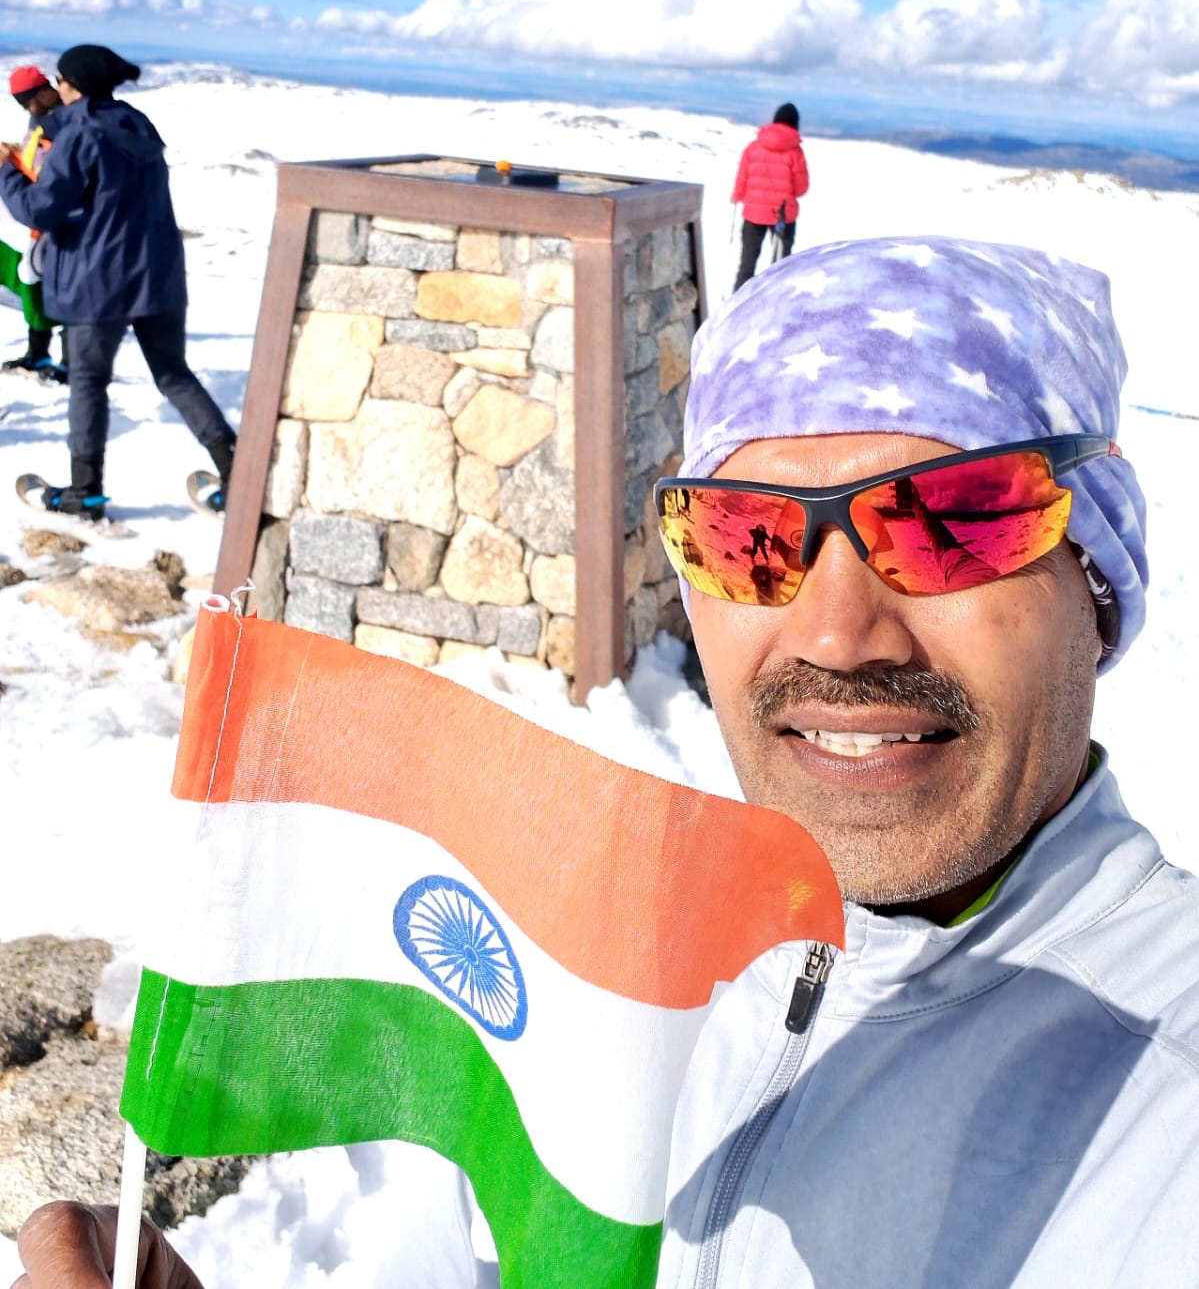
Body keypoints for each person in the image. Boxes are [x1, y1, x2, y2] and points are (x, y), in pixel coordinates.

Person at [14, 236, 1199, 1287]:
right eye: (746, 538)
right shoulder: (610, 964)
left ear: (1097, 584)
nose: (837, 634)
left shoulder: (1165, 1098)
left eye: (950, 520)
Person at [0, 45, 236, 520]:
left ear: (73, 85)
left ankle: (84, 493)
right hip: (159, 276)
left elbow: (41, 208)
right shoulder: (137, 124)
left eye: (61, 80)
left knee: (87, 382)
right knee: (173, 374)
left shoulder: (80, 135)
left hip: (97, 281)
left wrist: (6, 172)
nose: (57, 87)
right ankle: (238, 470)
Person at [0, 65, 67, 381]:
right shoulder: (41, 117)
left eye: (29, 100)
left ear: (44, 90)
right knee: (34, 278)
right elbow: (35, 154)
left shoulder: (66, 118)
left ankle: (67, 363)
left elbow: (52, 167)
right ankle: (38, 355)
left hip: (61, 219)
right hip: (40, 219)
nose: (28, 108)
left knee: (60, 286)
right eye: (21, 102)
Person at [730, 102, 809, 293]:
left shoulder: (753, 147)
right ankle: (775, 306)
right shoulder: (795, 152)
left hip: (753, 214)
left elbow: (742, 178)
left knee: (746, 266)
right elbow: (801, 188)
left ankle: (735, 309)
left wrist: (738, 196)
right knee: (780, 268)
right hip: (782, 216)